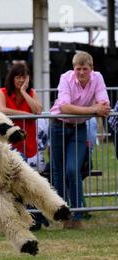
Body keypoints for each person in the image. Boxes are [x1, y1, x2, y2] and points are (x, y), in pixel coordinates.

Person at [50, 51, 110, 229]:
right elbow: (64, 106)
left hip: (79, 129)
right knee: (58, 172)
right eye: (78, 69)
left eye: (85, 69)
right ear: (73, 69)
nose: (81, 73)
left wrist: (93, 109)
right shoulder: (65, 78)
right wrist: (93, 109)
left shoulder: (98, 78)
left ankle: (76, 215)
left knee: (72, 169)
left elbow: (104, 104)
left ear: (91, 69)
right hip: (58, 126)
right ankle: (60, 214)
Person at [0, 62, 42, 160]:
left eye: (24, 77)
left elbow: (38, 110)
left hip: (27, 141)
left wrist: (23, 92)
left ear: (28, 79)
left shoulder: (32, 93)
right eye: (18, 77)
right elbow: (2, 110)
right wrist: (25, 114)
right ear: (12, 78)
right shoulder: (2, 92)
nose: (21, 80)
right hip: (8, 141)